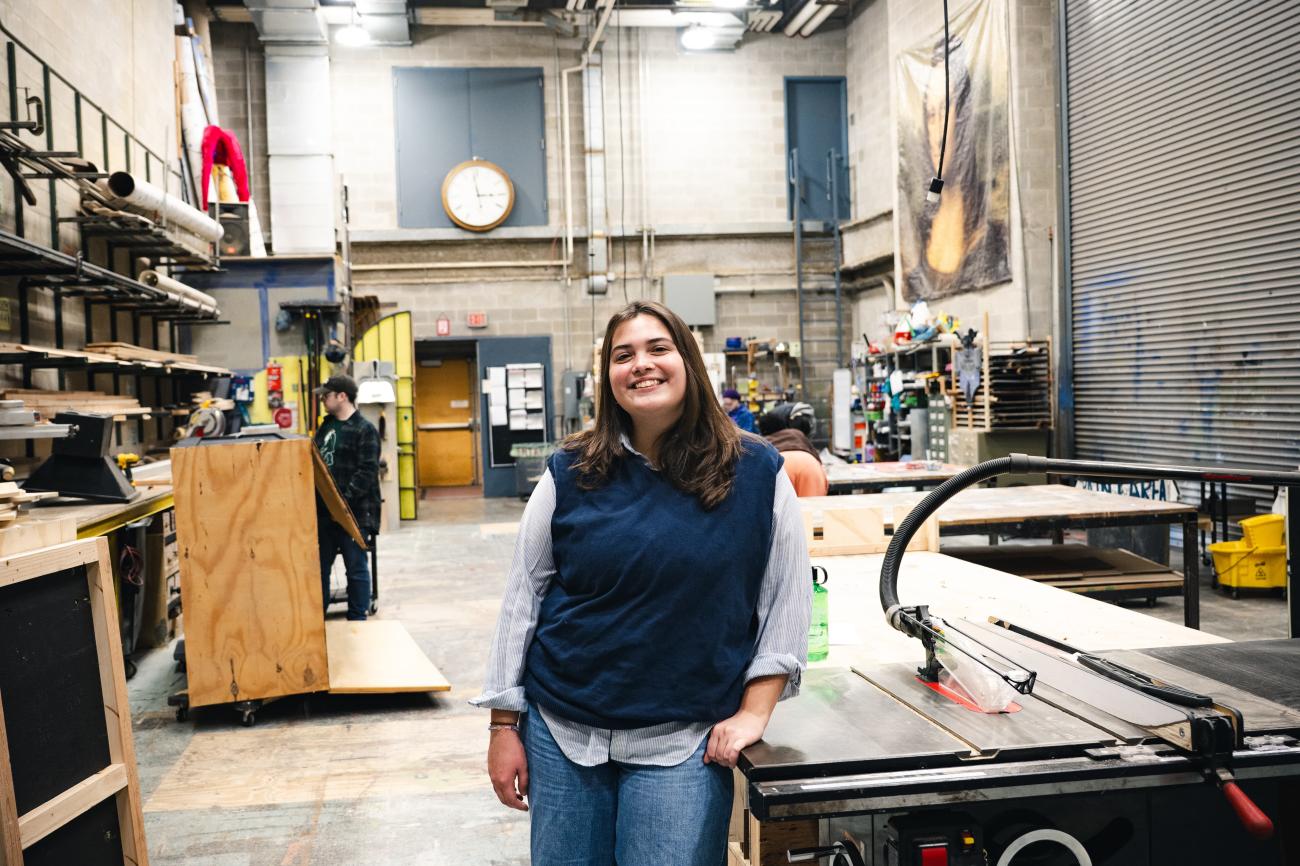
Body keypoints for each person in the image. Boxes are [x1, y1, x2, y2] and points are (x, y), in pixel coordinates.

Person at [472, 301, 810, 866]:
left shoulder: (755, 472)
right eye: (623, 355)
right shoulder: (571, 471)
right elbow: (523, 600)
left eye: (658, 349)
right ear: (608, 377)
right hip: (563, 733)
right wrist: (503, 726)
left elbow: (786, 603)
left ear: (689, 362)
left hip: (683, 739)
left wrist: (755, 712)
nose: (641, 365)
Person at [313, 374, 380, 621]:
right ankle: (316, 618)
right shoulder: (326, 427)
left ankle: (357, 619)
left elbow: (367, 472)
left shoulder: (365, 430)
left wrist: (341, 502)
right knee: (319, 568)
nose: (322, 399)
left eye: (326, 395)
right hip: (324, 513)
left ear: (342, 396)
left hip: (354, 512)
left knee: (355, 567)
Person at [758, 402, 828, 497]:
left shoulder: (766, 444)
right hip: (811, 465)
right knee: (815, 507)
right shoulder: (798, 436)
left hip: (782, 466)